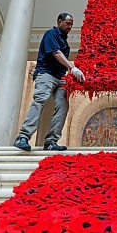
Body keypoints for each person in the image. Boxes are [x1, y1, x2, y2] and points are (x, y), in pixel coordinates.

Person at [14, 13, 85, 152]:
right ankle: (23, 136)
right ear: (59, 21)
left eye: (71, 24)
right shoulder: (51, 34)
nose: (69, 26)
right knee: (40, 100)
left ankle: (51, 141)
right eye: (67, 23)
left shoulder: (65, 43)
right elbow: (56, 53)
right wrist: (73, 68)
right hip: (45, 74)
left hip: (60, 78)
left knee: (63, 106)